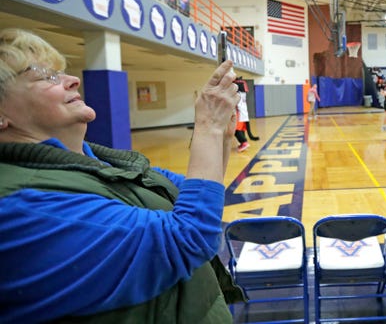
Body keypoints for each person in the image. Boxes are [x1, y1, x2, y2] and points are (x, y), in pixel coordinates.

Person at [0, 28, 244, 322]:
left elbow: (190, 195)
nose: (73, 79)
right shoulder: (19, 205)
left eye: (61, 72)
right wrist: (208, 126)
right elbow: (188, 238)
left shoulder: (97, 161)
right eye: (43, 76)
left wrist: (221, 137)